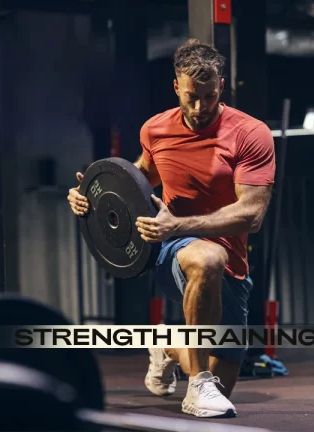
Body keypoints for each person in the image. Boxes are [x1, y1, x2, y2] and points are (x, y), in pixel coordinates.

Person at [67, 39, 275, 418]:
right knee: (208, 256)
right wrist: (91, 197)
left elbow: (252, 215)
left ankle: (167, 342)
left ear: (221, 87)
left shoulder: (250, 133)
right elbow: (137, 180)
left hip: (229, 259)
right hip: (172, 247)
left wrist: (179, 222)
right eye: (192, 96)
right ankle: (195, 388)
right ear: (176, 86)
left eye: (209, 96)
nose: (200, 107)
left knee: (224, 373)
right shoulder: (156, 130)